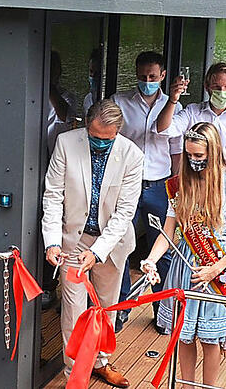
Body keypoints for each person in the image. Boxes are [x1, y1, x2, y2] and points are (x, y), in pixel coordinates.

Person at [140, 122, 226, 387]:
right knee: (184, 335)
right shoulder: (180, 185)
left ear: (213, 152)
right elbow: (167, 233)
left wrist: (217, 268)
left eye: (199, 156)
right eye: (189, 156)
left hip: (216, 268)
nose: (193, 161)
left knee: (210, 338)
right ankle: (185, 384)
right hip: (184, 268)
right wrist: (151, 260)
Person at [42, 99, 144, 388]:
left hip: (111, 243)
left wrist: (97, 253)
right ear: (87, 126)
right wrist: (51, 241)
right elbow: (52, 197)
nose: (99, 142)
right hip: (73, 239)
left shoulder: (133, 156)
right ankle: (73, 375)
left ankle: (100, 362)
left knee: (106, 307)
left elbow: (125, 214)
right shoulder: (65, 143)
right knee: (72, 312)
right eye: (94, 136)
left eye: (106, 139)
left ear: (118, 132)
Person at [111, 51, 183, 334]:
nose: (147, 82)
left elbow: (176, 149)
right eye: (142, 77)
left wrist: (177, 186)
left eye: (153, 77)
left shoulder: (173, 105)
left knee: (161, 250)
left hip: (159, 185)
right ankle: (120, 309)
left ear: (163, 75)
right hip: (126, 184)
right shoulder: (120, 102)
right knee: (121, 247)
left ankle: (162, 313)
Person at [156, 61, 226, 196]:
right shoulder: (193, 112)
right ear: (207, 87)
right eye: (216, 87)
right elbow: (164, 129)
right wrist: (173, 99)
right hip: (195, 187)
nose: (222, 92)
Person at [47, 50, 78, 152]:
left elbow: (66, 117)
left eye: (54, 70)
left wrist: (50, 88)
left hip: (55, 153)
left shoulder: (68, 97)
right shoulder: (29, 96)